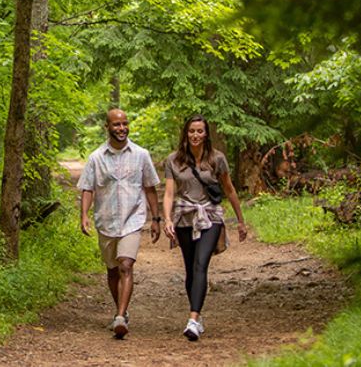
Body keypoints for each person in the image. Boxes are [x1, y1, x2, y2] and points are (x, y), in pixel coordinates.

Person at [162, 114, 247, 341]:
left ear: (206, 133)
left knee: (201, 263)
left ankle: (192, 318)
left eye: (200, 131)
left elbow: (229, 190)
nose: (196, 135)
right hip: (184, 216)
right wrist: (167, 219)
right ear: (185, 133)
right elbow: (169, 193)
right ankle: (197, 317)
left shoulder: (217, 159)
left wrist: (240, 220)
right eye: (192, 131)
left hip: (211, 216)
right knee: (190, 268)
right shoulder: (173, 160)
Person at [79, 108, 161, 339]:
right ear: (108, 127)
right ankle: (120, 311)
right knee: (112, 270)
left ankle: (120, 316)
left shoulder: (141, 154)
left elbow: (150, 187)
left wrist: (155, 219)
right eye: (117, 125)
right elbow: (88, 188)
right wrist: (84, 215)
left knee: (126, 264)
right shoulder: (96, 158)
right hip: (106, 221)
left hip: (132, 219)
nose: (122, 128)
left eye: (125, 124)